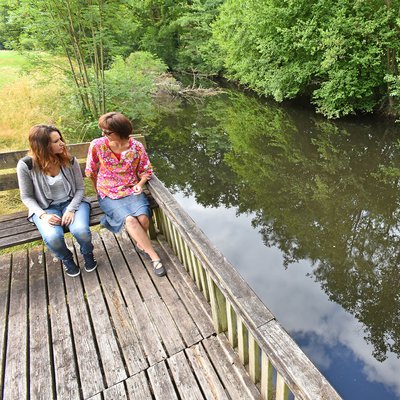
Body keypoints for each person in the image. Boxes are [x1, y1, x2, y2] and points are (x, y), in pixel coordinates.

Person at [85, 111, 166, 277]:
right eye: (102, 130)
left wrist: (140, 184)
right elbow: (91, 171)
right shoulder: (98, 145)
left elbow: (146, 170)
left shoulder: (136, 147)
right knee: (130, 220)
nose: (103, 134)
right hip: (108, 192)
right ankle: (154, 257)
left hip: (130, 188)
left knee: (143, 218)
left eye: (107, 132)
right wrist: (99, 191)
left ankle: (140, 244)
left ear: (120, 131)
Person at [17, 124, 97, 277]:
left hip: (73, 203)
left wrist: (71, 209)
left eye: (60, 139)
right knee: (53, 237)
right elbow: (26, 197)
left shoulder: (69, 159)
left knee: (81, 231)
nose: (62, 144)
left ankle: (88, 254)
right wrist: (43, 215)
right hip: (45, 209)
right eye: (56, 141)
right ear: (42, 146)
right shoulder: (26, 165)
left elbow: (80, 189)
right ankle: (67, 260)